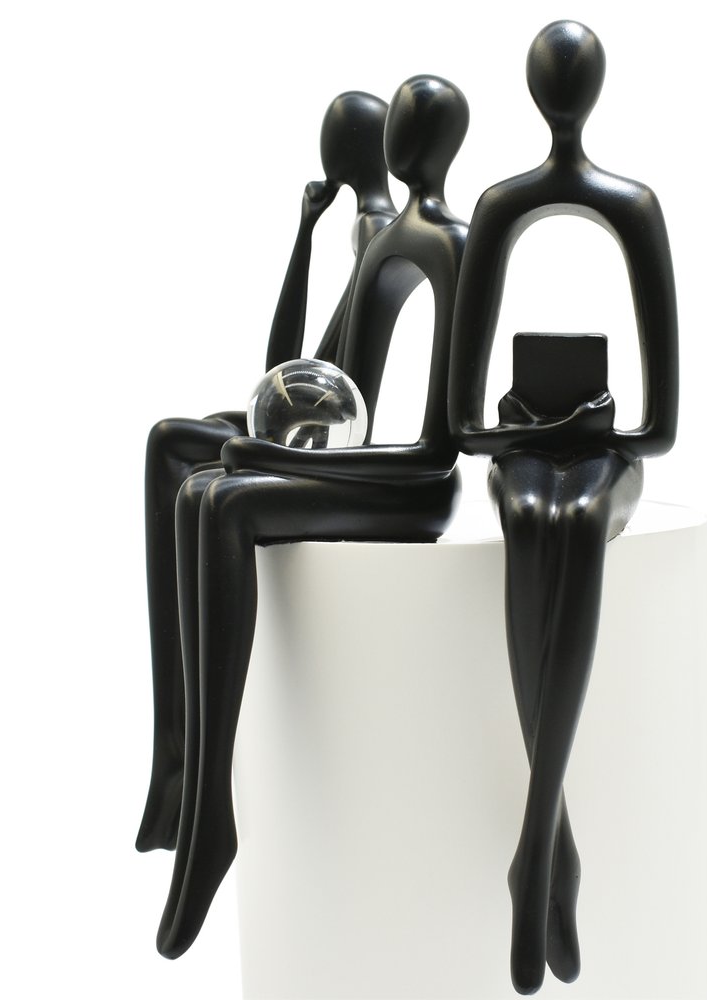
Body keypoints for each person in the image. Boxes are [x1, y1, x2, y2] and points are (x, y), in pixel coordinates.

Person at [157, 74, 471, 960]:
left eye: (405, 121)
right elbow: (307, 376)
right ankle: (192, 779)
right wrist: (278, 450)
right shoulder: (390, 243)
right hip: (361, 457)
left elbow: (437, 450)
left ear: (428, 140)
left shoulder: (454, 246)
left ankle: (211, 809)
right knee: (201, 488)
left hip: (419, 487)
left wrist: (288, 460)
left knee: (224, 498)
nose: (391, 136)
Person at [447, 21, 679, 994]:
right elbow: (464, 426)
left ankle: (534, 850)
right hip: (526, 442)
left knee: (576, 519)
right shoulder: (501, 206)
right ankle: (553, 849)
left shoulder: (632, 206)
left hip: (602, 448)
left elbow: (658, 430)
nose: (563, 90)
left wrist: (586, 429)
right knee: (531, 518)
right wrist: (530, 432)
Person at [135, 92, 397, 853]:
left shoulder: (382, 233)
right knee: (172, 444)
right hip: (305, 426)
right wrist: (303, 236)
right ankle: (176, 756)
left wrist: (277, 441)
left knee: (175, 448)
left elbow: (344, 387)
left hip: (334, 447)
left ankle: (181, 760)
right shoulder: (360, 227)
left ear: (350, 147)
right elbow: (283, 365)